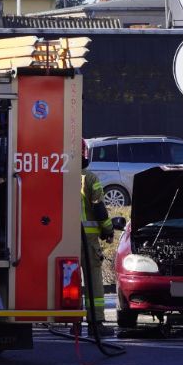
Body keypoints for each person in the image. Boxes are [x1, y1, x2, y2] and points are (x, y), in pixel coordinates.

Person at [81, 140, 115, 332]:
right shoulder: (90, 178)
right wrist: (108, 230)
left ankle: (74, 323)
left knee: (69, 279)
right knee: (93, 279)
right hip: (88, 240)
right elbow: (99, 208)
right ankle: (96, 322)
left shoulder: (60, 176)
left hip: (63, 240)